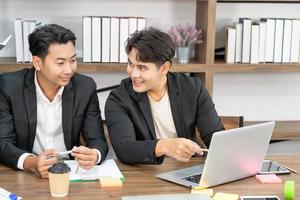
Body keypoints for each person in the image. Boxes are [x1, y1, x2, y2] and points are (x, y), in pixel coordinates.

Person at [0, 24, 108, 178]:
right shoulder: (8, 86)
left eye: (72, 60)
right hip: (26, 174)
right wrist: (32, 162)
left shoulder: (85, 87)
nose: (69, 70)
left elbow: (97, 139)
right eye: (60, 63)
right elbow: (2, 142)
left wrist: (94, 155)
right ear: (37, 62)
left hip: (71, 172)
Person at [105, 28, 224, 165]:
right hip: (144, 174)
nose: (133, 74)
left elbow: (215, 138)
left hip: (185, 169)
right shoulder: (119, 98)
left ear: (164, 68)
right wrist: (165, 146)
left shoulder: (192, 89)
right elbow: (124, 148)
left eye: (142, 68)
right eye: (131, 64)